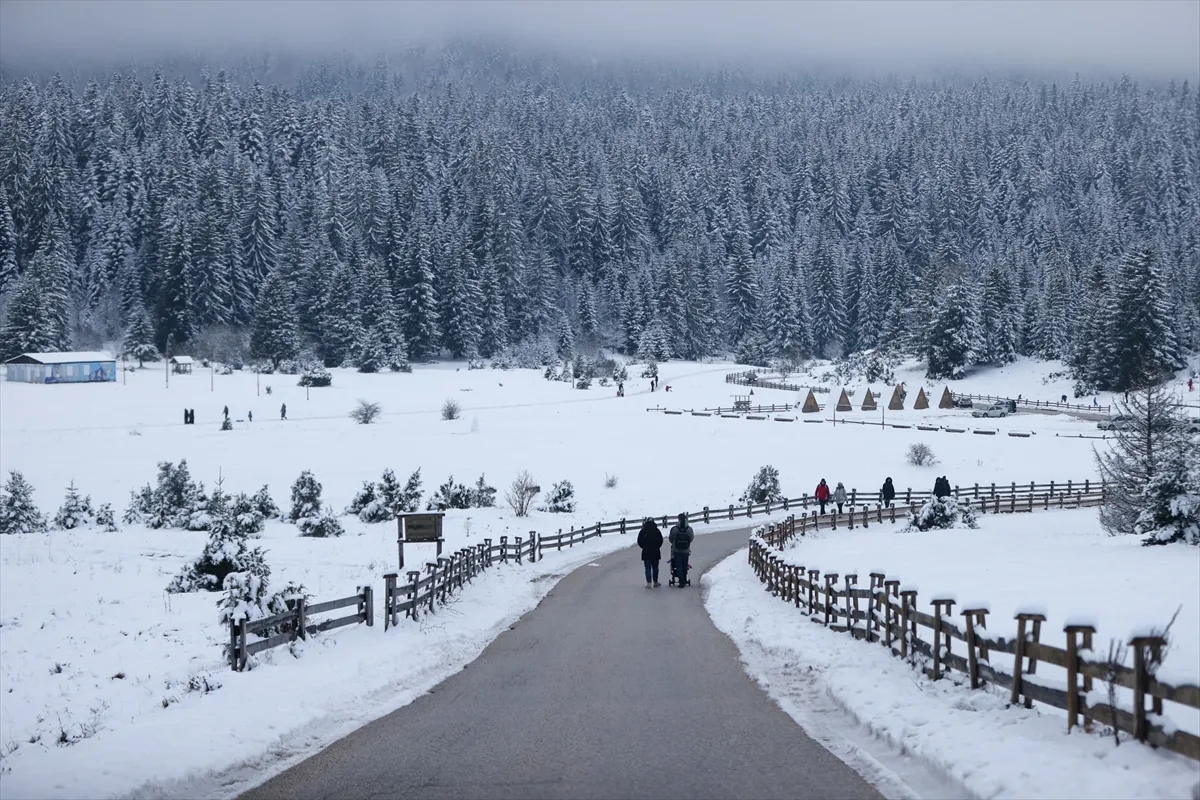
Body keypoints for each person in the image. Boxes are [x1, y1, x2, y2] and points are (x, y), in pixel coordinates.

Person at [668, 513, 694, 588]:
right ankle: (684, 579)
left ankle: (681, 580)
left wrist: (674, 544)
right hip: (686, 550)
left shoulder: (674, 529)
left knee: (678, 565)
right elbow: (691, 538)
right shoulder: (689, 529)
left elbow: (671, 538)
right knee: (685, 565)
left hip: (676, 550)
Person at [637, 517, 663, 588]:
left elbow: (639, 541)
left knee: (647, 568)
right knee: (655, 567)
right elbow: (661, 540)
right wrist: (657, 547)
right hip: (655, 551)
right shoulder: (656, 530)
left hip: (646, 552)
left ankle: (648, 583)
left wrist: (644, 547)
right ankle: (655, 582)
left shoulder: (643, 531)